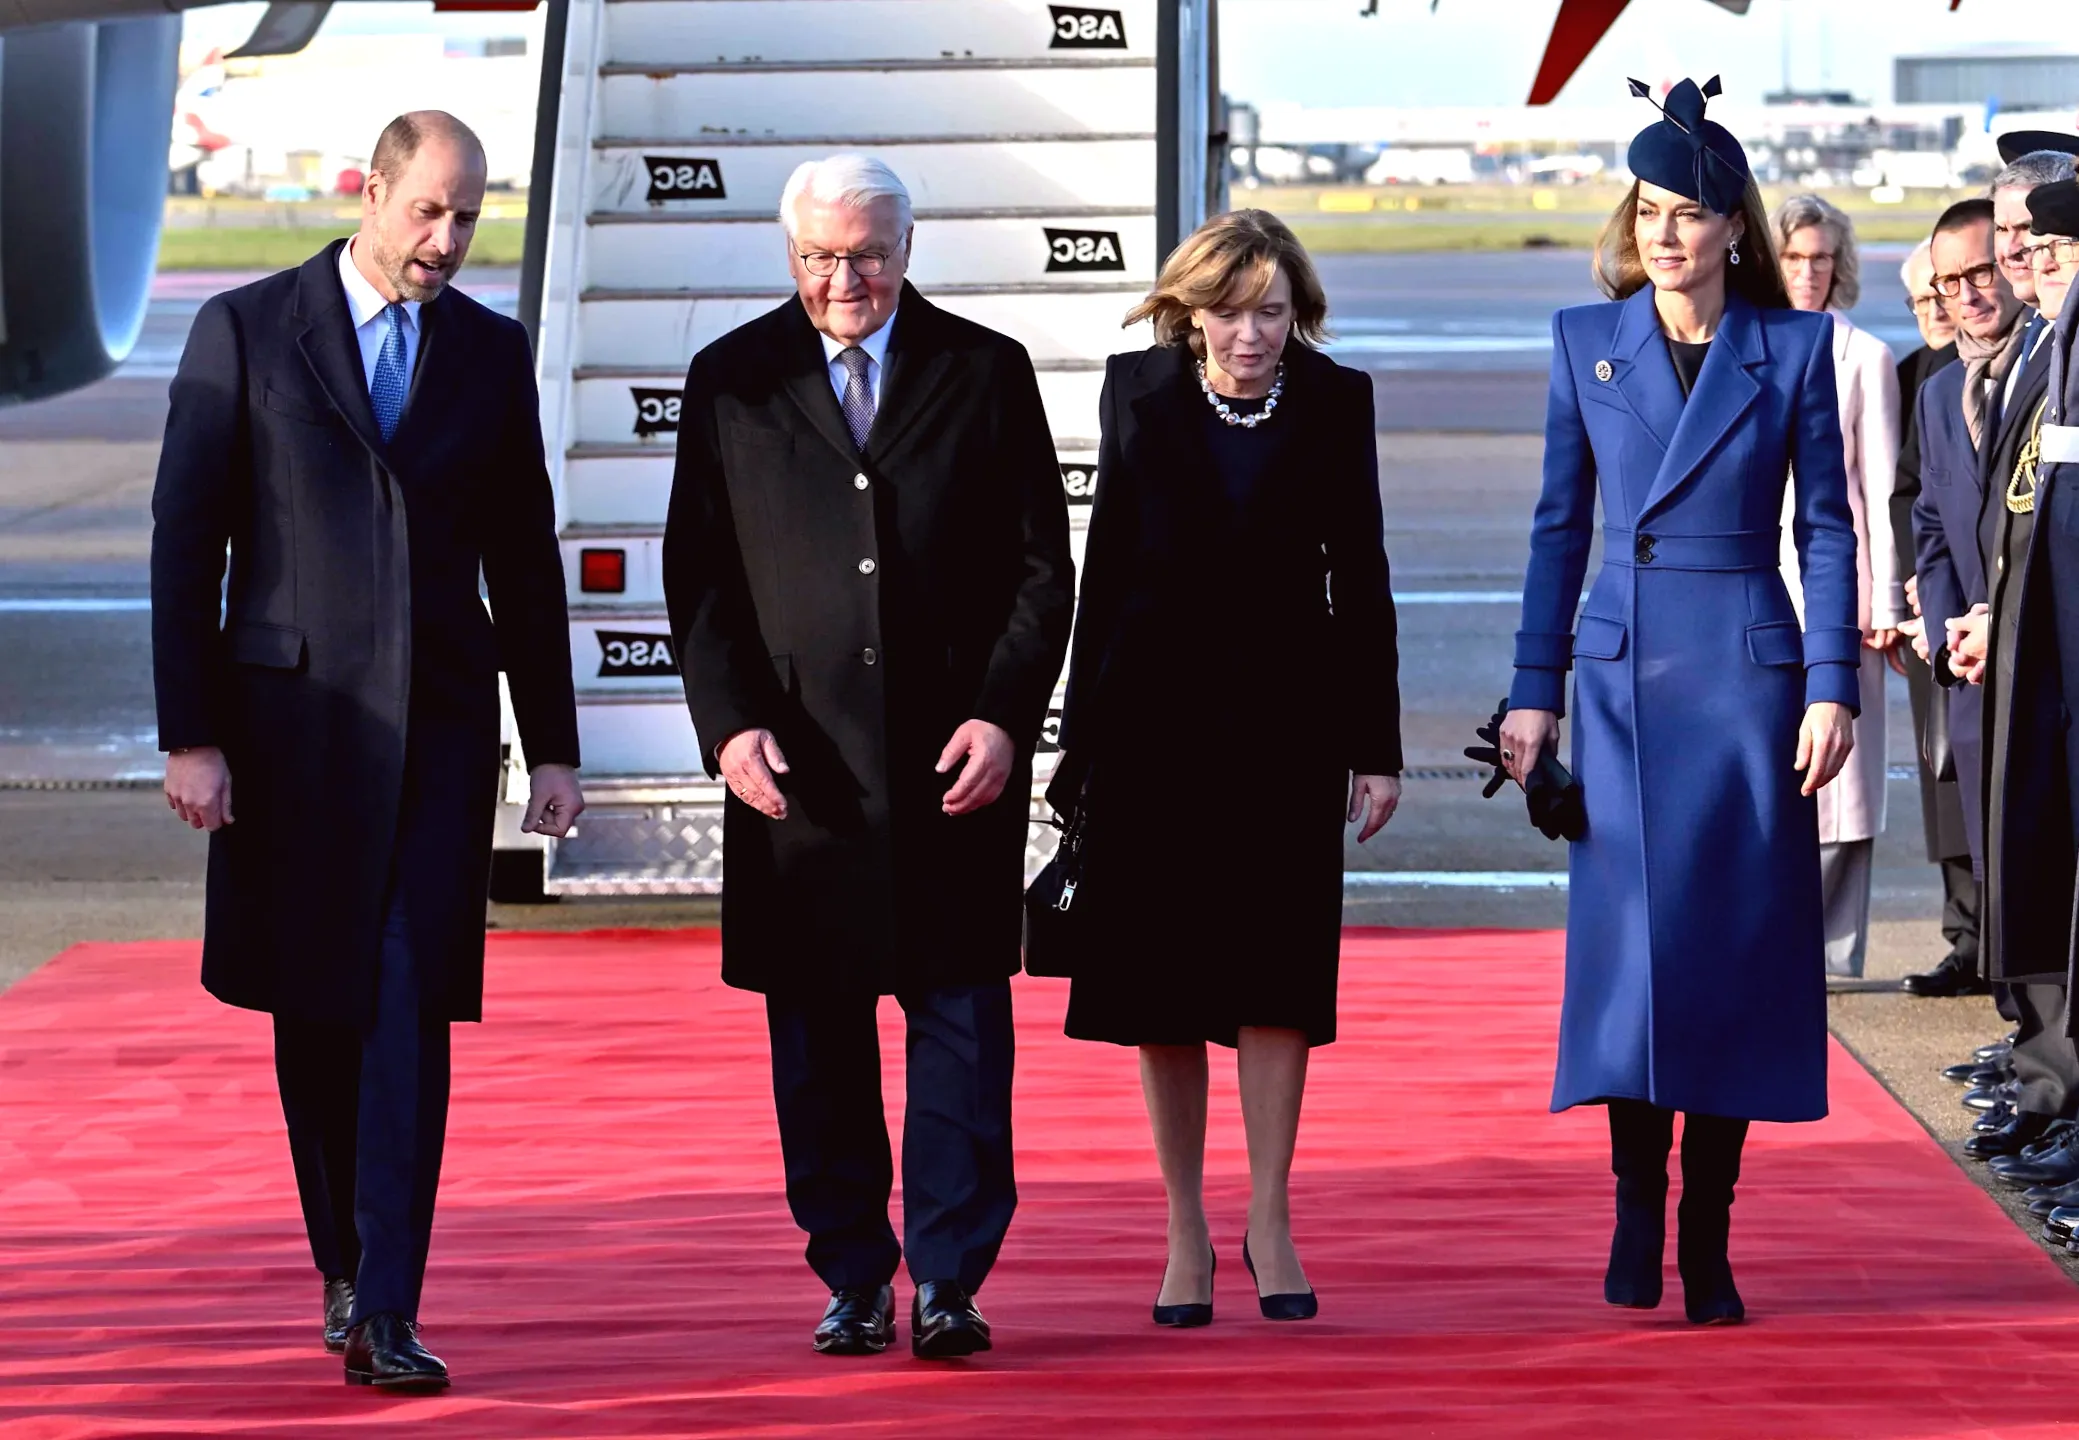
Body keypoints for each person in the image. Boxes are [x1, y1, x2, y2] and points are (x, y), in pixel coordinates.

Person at [151, 111, 583, 1391]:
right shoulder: (245, 329)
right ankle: (340, 1259)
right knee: (318, 1017)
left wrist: (550, 745)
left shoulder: (492, 356)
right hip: (289, 743)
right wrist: (192, 735)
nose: (447, 241)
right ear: (374, 195)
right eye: (429, 212)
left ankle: (389, 1302)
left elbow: (526, 560)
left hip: (440, 739)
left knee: (408, 1014)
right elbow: (189, 546)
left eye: (468, 218)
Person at [662, 154, 1073, 1360]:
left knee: (960, 1040)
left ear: (909, 243)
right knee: (819, 1054)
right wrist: (731, 722)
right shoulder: (730, 379)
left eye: (870, 253)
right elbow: (699, 580)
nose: (846, 279)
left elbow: (1042, 569)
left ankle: (949, 1280)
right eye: (820, 257)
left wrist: (1004, 713)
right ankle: (853, 1277)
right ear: (789, 254)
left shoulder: (984, 371)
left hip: (954, 770)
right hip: (803, 781)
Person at [1499, 77, 1858, 1327]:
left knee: (1733, 962)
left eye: (1690, 212)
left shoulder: (1796, 347)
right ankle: (1635, 1202)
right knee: (1635, 964)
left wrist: (1830, 686)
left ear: (1733, 230)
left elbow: (1825, 528)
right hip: (1615, 688)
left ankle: (1709, 1229)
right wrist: (1530, 694)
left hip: (1748, 686)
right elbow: (1558, 530)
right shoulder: (1580, 340)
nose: (1666, 233)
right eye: (1649, 209)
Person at [1049, 210, 1402, 1328]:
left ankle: (1271, 1218)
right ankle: (1184, 1230)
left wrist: (1376, 748)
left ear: (1299, 313)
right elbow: (1102, 571)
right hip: (1153, 730)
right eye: (1230, 314)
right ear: (1187, 312)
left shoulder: (1338, 401)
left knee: (1276, 983)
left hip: (1289, 731)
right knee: (1162, 989)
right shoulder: (1137, 392)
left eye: (1272, 314)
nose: (1251, 337)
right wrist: (1077, 748)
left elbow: (1364, 578)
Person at [1936, 142, 2079, 1165]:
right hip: (2030, 648)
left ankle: (2057, 1084)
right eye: (2015, 236)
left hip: (2058, 655)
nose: (2022, 256)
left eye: (2043, 238)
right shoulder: (2040, 347)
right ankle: (2045, 1072)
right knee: (2029, 866)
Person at [1772, 194, 1904, 980]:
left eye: (1820, 258)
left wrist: (1885, 602)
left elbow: (1884, 490)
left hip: (1842, 594)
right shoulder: (1743, 344)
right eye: (1794, 257)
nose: (1809, 272)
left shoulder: (1864, 358)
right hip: (1760, 590)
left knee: (1844, 788)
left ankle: (1826, 951)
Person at [1888, 239, 1978, 997]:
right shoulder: (1912, 378)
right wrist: (1914, 585)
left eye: (1941, 294)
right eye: (1920, 299)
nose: (1934, 310)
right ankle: (1966, 935)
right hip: (1931, 609)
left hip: (1978, 608)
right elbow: (1902, 495)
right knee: (1941, 775)